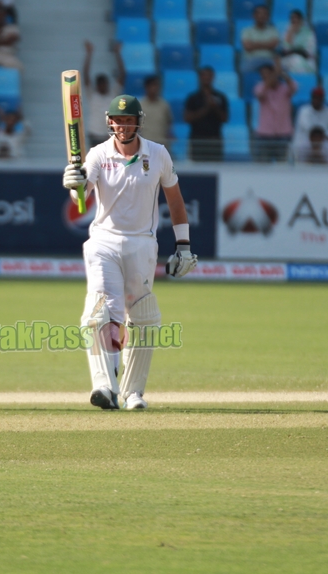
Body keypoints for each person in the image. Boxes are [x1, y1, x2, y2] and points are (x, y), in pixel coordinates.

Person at [61, 94, 197, 410]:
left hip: (143, 244)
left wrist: (184, 245)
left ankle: (132, 392)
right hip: (103, 242)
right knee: (100, 310)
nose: (123, 126)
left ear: (138, 122)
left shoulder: (158, 154)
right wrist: (74, 182)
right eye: (118, 120)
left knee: (144, 317)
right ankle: (104, 386)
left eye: (128, 120)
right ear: (110, 122)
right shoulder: (96, 154)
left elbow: (175, 201)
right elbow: (81, 196)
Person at [83, 39, 126, 148]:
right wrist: (89, 54)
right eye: (100, 84)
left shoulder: (113, 95)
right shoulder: (92, 95)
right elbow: (85, 75)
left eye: (104, 84)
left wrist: (118, 53)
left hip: (109, 135)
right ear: (96, 85)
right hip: (94, 134)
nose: (103, 86)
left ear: (108, 84)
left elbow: (123, 75)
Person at [251, 61, 297, 162]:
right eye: (262, 74)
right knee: (263, 167)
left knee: (282, 167)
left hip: (283, 133)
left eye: (266, 73)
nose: (264, 76)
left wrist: (282, 73)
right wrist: (275, 73)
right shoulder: (259, 87)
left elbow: (294, 87)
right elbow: (260, 94)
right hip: (264, 134)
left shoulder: (285, 89)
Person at [183, 66, 229, 162]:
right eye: (204, 75)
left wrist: (215, 107)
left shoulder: (220, 97)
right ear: (199, 77)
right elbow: (187, 118)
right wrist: (206, 108)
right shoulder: (193, 98)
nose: (207, 78)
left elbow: (225, 118)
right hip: (197, 140)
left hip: (215, 139)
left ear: (213, 77)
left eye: (209, 76)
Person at [240, 5, 280, 73]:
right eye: (259, 13)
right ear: (254, 15)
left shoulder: (273, 31)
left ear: (268, 16)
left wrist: (254, 44)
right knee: (245, 71)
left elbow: (273, 45)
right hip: (252, 59)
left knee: (281, 71)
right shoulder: (246, 31)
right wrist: (267, 44)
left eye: (264, 14)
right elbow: (248, 47)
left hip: (269, 59)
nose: (262, 16)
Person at [138, 75, 172, 148]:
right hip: (145, 144)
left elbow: (169, 123)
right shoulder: (139, 105)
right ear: (146, 87)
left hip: (162, 145)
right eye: (153, 85)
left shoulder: (164, 105)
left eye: (157, 85)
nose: (155, 88)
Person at [279, 9, 317, 74]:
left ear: (301, 20)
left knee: (296, 60)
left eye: (296, 18)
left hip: (306, 60)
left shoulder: (309, 33)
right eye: (292, 18)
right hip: (288, 59)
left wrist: (296, 51)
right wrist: (291, 33)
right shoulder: (287, 32)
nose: (293, 20)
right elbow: (286, 49)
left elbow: (310, 52)